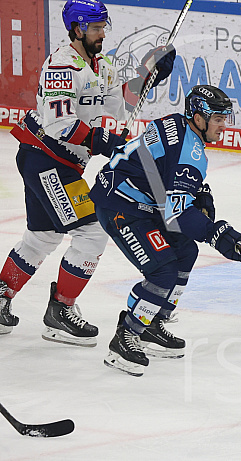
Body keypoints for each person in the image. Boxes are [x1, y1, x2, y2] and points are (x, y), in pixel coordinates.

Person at [0, 0, 175, 345]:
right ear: (77, 29)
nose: (102, 34)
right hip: (46, 158)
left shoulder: (101, 65)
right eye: (95, 28)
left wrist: (146, 76)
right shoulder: (62, 66)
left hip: (55, 161)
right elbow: (60, 124)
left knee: (42, 236)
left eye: (103, 27)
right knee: (93, 231)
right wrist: (103, 140)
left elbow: (119, 103)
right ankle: (60, 312)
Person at [89, 85, 241, 376]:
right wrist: (216, 233)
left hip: (139, 200)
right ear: (198, 118)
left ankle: (152, 322)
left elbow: (167, 176)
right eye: (217, 119)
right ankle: (127, 335)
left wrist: (200, 192)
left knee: (185, 250)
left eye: (225, 119)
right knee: (163, 271)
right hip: (120, 206)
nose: (223, 126)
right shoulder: (188, 151)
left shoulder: (177, 125)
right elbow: (176, 214)